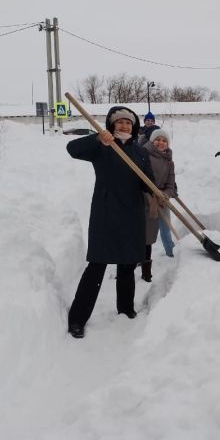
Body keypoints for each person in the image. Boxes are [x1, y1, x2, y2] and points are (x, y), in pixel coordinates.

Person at [65, 106, 155, 339]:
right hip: (105, 214)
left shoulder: (140, 152)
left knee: (127, 265)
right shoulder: (102, 147)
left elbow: (148, 182)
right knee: (97, 266)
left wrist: (157, 192)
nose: (124, 126)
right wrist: (97, 139)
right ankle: (77, 318)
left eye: (128, 123)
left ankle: (125, 309)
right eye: (120, 122)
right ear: (112, 126)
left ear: (133, 127)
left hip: (132, 215)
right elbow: (72, 149)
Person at [140, 128, 178, 282]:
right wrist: (149, 193)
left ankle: (171, 252)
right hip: (144, 198)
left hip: (161, 198)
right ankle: (139, 263)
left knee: (165, 227)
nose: (160, 143)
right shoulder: (143, 155)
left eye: (164, 140)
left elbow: (171, 183)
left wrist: (166, 194)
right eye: (158, 139)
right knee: (144, 234)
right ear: (151, 141)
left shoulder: (169, 161)